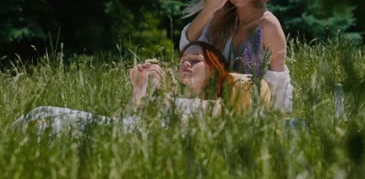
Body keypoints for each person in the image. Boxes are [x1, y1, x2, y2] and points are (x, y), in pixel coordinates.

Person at [13, 42, 271, 133]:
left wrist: (161, 92)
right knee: (40, 111)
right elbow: (126, 123)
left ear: (215, 69)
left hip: (119, 136)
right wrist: (139, 89)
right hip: (117, 132)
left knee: (48, 121)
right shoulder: (173, 97)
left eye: (194, 61)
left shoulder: (218, 107)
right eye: (182, 61)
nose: (185, 65)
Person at [180, 0, 293, 113]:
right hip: (213, 107)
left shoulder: (268, 26)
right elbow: (187, 47)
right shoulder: (219, 18)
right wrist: (209, 9)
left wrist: (276, 124)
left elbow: (279, 83)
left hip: (253, 112)